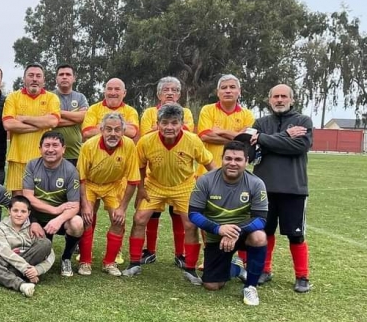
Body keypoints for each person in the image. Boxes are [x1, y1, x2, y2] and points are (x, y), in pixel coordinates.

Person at [123, 103, 214, 282]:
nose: (169, 127)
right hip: (154, 185)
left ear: (181, 123)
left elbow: (210, 164)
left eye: (174, 123)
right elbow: (140, 167)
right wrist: (141, 189)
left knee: (190, 225)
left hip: (184, 187)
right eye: (164, 123)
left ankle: (190, 268)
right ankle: (134, 263)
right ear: (157, 123)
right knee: (139, 219)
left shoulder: (193, 140)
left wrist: (220, 186)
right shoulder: (146, 141)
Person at [188, 141, 269, 305]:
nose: (233, 163)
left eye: (238, 159)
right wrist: (218, 229)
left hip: (243, 233)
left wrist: (235, 231)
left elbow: (261, 219)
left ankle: (250, 286)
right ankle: (237, 269)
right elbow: (193, 214)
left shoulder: (256, 183)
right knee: (211, 285)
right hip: (216, 235)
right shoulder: (206, 180)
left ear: (246, 161)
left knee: (259, 237)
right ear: (222, 159)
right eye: (228, 158)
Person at [251, 84, 314, 292]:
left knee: (296, 234)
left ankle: (302, 276)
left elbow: (298, 147)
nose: (279, 99)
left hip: (293, 188)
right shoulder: (260, 122)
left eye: (283, 96)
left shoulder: (303, 121)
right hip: (263, 189)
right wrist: (286, 135)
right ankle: (264, 270)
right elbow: (251, 152)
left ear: (291, 100)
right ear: (269, 100)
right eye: (275, 96)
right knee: (264, 231)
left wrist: (263, 139)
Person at [138, 77, 196, 267]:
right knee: (152, 214)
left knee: (178, 214)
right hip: (153, 177)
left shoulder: (186, 112)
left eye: (174, 90)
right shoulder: (148, 112)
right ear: (158, 94)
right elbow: (145, 135)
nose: (170, 93)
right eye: (165, 90)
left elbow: (188, 130)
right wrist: (159, 130)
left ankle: (181, 254)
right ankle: (150, 251)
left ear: (179, 94)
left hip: (181, 179)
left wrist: (159, 128)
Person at [76, 113, 140, 276]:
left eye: (117, 130)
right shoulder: (89, 146)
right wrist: (85, 206)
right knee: (87, 219)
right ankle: (85, 261)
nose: (113, 133)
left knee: (118, 220)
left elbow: (133, 180)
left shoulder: (129, 145)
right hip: (90, 184)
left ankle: (109, 263)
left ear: (123, 131)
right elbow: (81, 178)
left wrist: (122, 208)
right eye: (109, 129)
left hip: (114, 185)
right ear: (101, 130)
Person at [22, 131, 84, 277]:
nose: (50, 149)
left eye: (55, 145)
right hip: (38, 218)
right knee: (38, 251)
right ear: (40, 148)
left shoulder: (71, 171)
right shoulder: (31, 165)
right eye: (47, 145)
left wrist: (59, 219)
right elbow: (28, 197)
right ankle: (42, 249)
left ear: (63, 149)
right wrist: (52, 211)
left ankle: (66, 258)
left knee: (77, 223)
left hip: (60, 220)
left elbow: (74, 205)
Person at [2, 63, 61, 194]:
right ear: (24, 79)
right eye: (31, 75)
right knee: (19, 201)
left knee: (42, 198)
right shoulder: (13, 97)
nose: (34, 79)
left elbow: (53, 121)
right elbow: (8, 124)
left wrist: (23, 118)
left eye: (38, 76)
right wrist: (40, 126)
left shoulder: (52, 98)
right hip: (17, 158)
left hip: (43, 159)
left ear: (43, 80)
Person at [0, 196, 55, 298]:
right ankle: (22, 285)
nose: (19, 214)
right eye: (15, 210)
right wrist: (25, 268)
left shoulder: (33, 227)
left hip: (30, 259)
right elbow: (5, 251)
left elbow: (50, 253)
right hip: (10, 259)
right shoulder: (0, 228)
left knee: (45, 243)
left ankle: (7, 275)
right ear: (9, 211)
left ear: (28, 213)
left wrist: (37, 270)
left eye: (23, 211)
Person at [197, 74, 255, 175]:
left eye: (232, 87)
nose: (228, 91)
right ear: (218, 92)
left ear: (239, 91)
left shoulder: (248, 115)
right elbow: (205, 136)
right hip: (207, 171)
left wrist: (221, 131)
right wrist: (237, 139)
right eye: (224, 88)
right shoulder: (207, 110)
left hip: (235, 172)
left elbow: (247, 140)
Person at [53, 64, 89, 166]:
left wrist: (59, 112)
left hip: (76, 154)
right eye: (61, 74)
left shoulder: (80, 97)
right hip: (53, 153)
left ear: (74, 78)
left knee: (75, 182)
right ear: (56, 79)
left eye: (68, 74)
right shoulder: (50, 96)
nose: (64, 77)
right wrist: (75, 118)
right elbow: (50, 122)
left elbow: (84, 117)